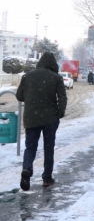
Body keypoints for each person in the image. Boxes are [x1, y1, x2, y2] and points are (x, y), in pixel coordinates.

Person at [16, 52, 67, 190]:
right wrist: (59, 113)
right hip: (50, 118)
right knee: (48, 148)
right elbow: (62, 98)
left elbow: (19, 96)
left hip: (31, 117)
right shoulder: (56, 78)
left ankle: (27, 169)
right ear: (53, 65)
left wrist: (32, 96)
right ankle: (46, 177)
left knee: (30, 147)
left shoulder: (27, 76)